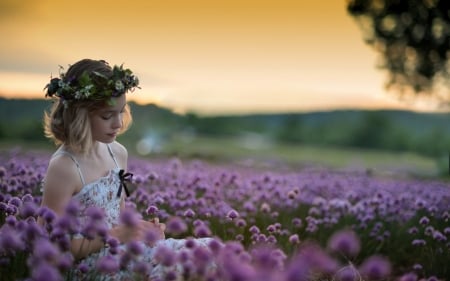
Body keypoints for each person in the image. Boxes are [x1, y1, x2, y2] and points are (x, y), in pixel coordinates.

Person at [39, 59, 215, 280]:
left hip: (123, 250)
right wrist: (113, 236)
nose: (118, 123)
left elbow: (120, 213)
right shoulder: (64, 166)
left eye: (121, 112)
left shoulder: (118, 153)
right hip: (92, 267)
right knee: (177, 267)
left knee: (210, 248)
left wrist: (142, 229)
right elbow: (49, 247)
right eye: (107, 116)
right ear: (79, 114)